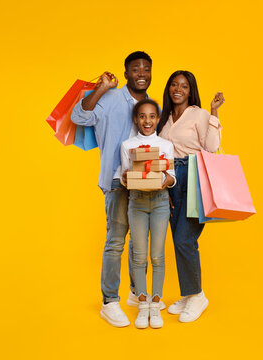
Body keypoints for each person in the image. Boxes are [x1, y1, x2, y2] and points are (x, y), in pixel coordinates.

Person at [71, 51, 163, 327]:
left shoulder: (149, 105)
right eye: (136, 69)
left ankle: (136, 293)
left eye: (147, 69)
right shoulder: (110, 99)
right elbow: (79, 116)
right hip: (115, 179)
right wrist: (100, 88)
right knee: (116, 241)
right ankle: (109, 301)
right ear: (126, 74)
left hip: (143, 180)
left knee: (139, 241)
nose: (142, 74)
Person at [157, 70, 225, 322]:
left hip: (194, 175)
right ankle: (188, 293)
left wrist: (214, 112)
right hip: (170, 178)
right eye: (174, 85)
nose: (178, 89)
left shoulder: (199, 113)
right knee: (177, 238)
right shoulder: (164, 117)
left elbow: (212, 146)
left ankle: (197, 295)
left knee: (186, 238)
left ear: (190, 89)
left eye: (184, 86)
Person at [120, 99, 176, 329]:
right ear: (136, 119)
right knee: (139, 255)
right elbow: (124, 175)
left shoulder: (165, 144)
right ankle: (142, 304)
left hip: (161, 202)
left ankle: (156, 302)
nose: (147, 121)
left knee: (157, 256)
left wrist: (164, 181)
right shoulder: (127, 145)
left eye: (152, 116)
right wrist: (127, 178)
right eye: (142, 116)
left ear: (157, 119)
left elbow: (171, 176)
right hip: (137, 202)